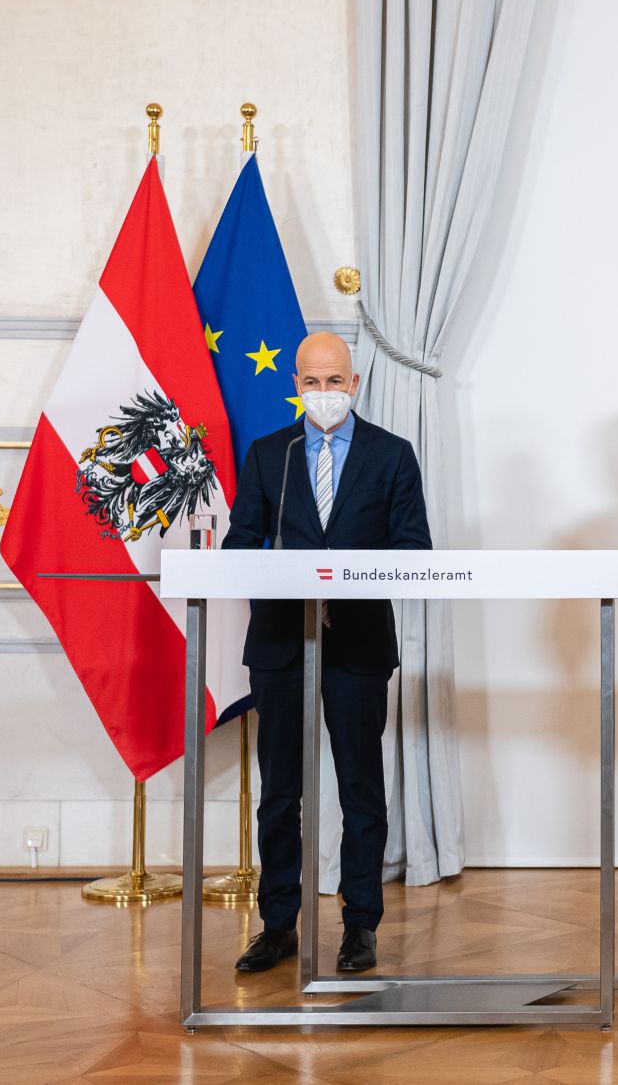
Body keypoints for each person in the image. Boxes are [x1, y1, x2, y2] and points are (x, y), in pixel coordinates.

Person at [223, 332, 431, 975]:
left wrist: (350, 572)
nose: (323, 394)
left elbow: (413, 548)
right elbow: (239, 543)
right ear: (296, 387)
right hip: (283, 644)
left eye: (334, 382)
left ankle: (359, 924)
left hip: (358, 642)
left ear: (354, 385)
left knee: (360, 788)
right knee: (280, 791)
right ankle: (277, 923)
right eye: (311, 382)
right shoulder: (268, 456)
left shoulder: (392, 455)